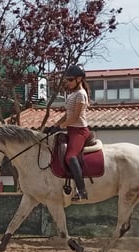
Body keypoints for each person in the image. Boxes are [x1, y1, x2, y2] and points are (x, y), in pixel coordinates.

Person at [46, 64, 91, 201]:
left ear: (79, 79)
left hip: (80, 131)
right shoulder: (72, 94)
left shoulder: (81, 95)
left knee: (70, 156)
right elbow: (67, 115)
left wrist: (61, 127)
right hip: (71, 129)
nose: (68, 82)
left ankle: (82, 190)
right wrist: (54, 126)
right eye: (68, 80)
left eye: (71, 80)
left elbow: (76, 117)